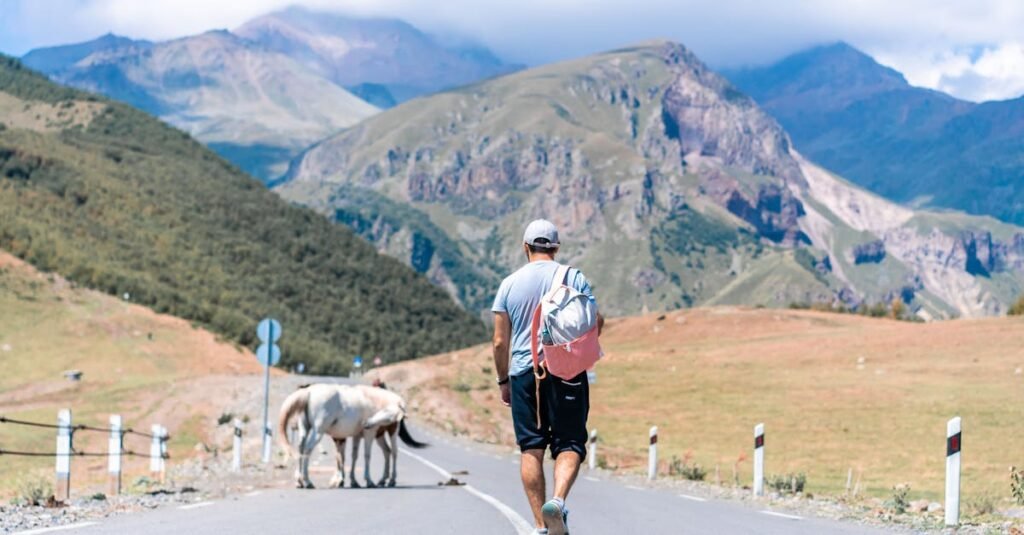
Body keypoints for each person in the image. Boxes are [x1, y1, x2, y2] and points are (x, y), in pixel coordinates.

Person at [492, 219, 604, 535]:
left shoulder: (509, 285)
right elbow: (593, 322)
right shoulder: (574, 277)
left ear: (526, 247)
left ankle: (540, 527)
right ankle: (557, 501)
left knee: (531, 448)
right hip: (566, 370)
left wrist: (504, 382)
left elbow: (500, 341)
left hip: (524, 375)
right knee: (569, 442)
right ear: (555, 248)